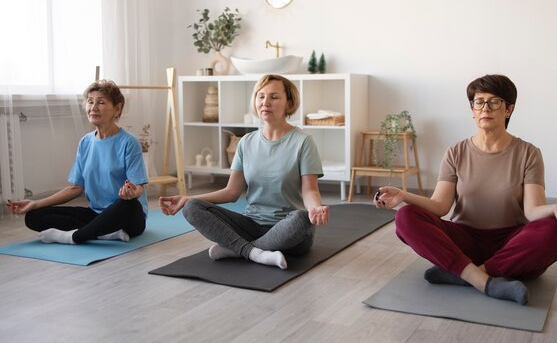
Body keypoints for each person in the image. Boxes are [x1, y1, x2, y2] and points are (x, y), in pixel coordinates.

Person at [375, 74, 557, 305]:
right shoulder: (456, 152)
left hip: (511, 244)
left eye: (494, 102)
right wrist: (404, 195)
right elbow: (440, 206)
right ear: (472, 109)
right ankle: (486, 281)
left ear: (508, 110)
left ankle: (464, 274)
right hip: (465, 241)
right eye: (479, 101)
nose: (485, 108)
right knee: (406, 217)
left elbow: (533, 211)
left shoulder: (528, 153)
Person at [160, 74, 329, 269]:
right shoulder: (246, 142)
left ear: (289, 103)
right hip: (251, 226)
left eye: (274, 97)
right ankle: (256, 252)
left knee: (302, 219)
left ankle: (237, 249)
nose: (265, 102)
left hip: (288, 231)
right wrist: (188, 199)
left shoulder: (303, 142)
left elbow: (310, 190)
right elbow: (232, 192)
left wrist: (315, 208)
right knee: (192, 207)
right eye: (260, 96)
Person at [5, 80, 148, 244]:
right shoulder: (85, 142)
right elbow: (75, 188)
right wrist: (35, 204)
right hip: (96, 213)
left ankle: (73, 237)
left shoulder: (129, 142)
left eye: (101, 102)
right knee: (34, 216)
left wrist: (130, 193)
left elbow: (138, 188)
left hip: (127, 217)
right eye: (90, 101)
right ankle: (104, 232)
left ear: (117, 108)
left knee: (129, 205)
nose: (93, 107)